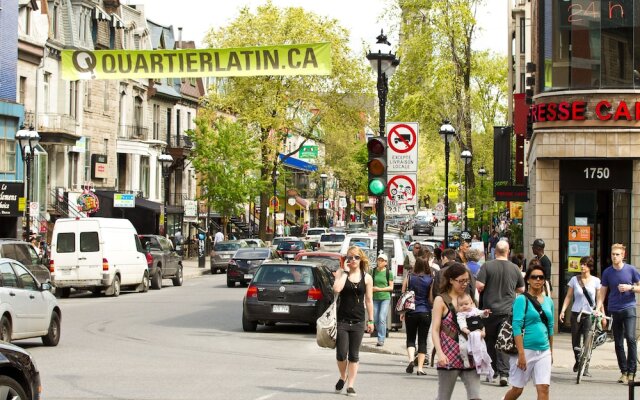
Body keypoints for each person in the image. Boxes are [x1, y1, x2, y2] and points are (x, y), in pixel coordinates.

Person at [476, 240, 525, 386]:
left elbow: (480, 285)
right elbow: (521, 289)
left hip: (489, 310)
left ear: (495, 251)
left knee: (490, 341)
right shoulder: (515, 268)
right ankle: (504, 374)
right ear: (508, 251)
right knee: (503, 341)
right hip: (507, 310)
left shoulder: (487, 266)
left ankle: (495, 371)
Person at [503, 264, 554, 400]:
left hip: (544, 351)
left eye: (541, 277)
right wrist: (521, 354)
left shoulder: (549, 301)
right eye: (534, 277)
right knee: (517, 390)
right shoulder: (521, 299)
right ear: (528, 280)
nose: (538, 280)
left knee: (544, 388)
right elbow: (516, 326)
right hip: (525, 350)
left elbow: (550, 327)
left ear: (544, 280)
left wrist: (551, 352)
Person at [432, 263, 481, 400]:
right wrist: (440, 353)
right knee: (444, 397)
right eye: (461, 281)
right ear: (451, 280)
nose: (464, 284)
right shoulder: (441, 300)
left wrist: (481, 333)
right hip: (449, 356)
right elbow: (435, 330)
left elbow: (477, 323)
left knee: (475, 397)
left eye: (467, 280)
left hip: (469, 356)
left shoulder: (469, 299)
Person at [333, 246, 374, 396]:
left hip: (358, 320)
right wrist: (345, 272)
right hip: (342, 319)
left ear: (361, 259)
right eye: (350, 257)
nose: (353, 260)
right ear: (346, 259)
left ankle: (350, 385)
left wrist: (371, 320)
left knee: (354, 355)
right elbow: (337, 289)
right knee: (341, 354)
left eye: (356, 257)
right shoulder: (341, 272)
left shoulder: (367, 277)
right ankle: (343, 376)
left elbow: (369, 300)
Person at [596, 243, 640, 384]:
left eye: (617, 254)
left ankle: (632, 371)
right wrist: (598, 307)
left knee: (631, 338)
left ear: (623, 255)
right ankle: (624, 371)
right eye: (613, 254)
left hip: (629, 308)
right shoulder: (607, 272)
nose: (614, 257)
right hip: (614, 309)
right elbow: (603, 291)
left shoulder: (631, 270)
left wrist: (630, 287)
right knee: (618, 342)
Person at [559, 256, 601, 376]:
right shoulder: (574, 279)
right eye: (581, 264)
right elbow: (568, 296)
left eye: (585, 264)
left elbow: (599, 298)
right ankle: (578, 360)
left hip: (589, 314)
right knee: (575, 340)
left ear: (590, 267)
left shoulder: (596, 281)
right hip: (576, 312)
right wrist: (562, 310)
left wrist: (599, 311)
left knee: (588, 340)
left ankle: (585, 366)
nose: (582, 266)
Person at [401, 257, 433, 376]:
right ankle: (420, 368)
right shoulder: (430, 279)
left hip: (411, 311)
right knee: (422, 340)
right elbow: (430, 298)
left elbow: (404, 292)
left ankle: (410, 360)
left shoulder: (409, 277)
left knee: (410, 338)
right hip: (425, 311)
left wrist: (403, 312)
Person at [456, 293, 494, 379]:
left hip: (477, 334)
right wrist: (465, 329)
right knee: (463, 347)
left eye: (466, 304)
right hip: (466, 334)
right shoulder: (460, 314)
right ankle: (465, 360)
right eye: (461, 305)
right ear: (458, 306)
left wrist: (485, 312)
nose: (464, 306)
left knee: (480, 349)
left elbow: (482, 314)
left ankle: (479, 363)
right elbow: (461, 323)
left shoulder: (474, 310)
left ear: (471, 303)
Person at [371, 253, 393, 347]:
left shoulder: (389, 273)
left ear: (386, 262)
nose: (379, 262)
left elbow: (391, 287)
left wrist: (379, 289)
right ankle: (380, 334)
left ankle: (381, 339)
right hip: (375, 297)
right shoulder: (373, 271)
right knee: (375, 318)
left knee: (382, 318)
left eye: (382, 260)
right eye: (378, 260)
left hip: (385, 298)